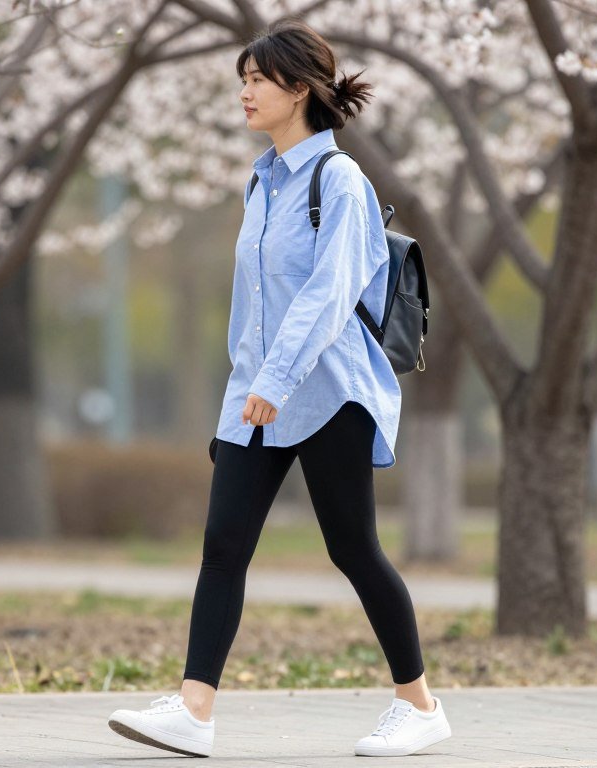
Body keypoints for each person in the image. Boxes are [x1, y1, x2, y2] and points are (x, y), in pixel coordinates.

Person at [107, 18, 450, 759]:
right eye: (244, 78)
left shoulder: (342, 182)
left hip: (330, 392)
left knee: (353, 548)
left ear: (299, 88)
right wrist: (243, 394)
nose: (245, 92)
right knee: (222, 544)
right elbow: (255, 305)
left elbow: (327, 296)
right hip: (256, 396)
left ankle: (419, 705)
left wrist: (276, 379)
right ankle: (194, 710)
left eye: (258, 79)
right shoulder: (260, 182)